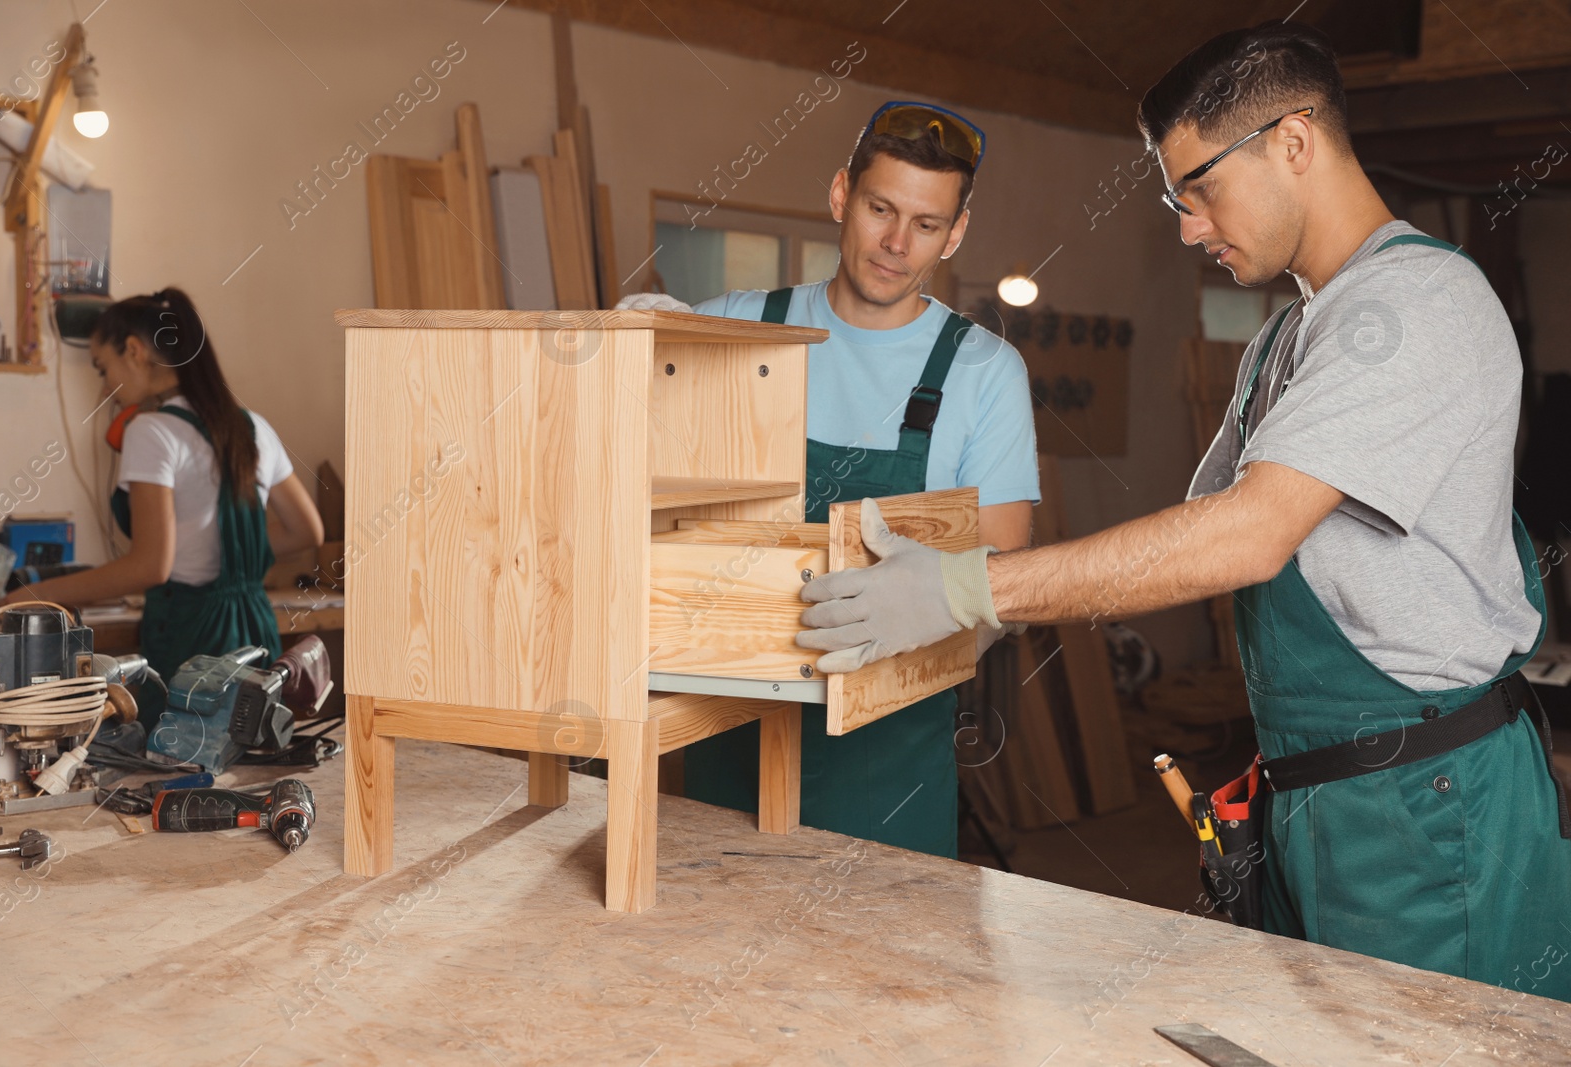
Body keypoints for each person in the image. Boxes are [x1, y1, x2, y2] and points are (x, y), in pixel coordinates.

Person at [796, 23, 1571, 999]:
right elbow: (1185, 539)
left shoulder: (1415, 304)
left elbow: (1247, 536)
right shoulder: (1289, 335)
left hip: (1426, 799)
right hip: (1316, 788)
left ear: (1293, 142)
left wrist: (965, 587)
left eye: (1195, 187)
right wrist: (975, 599)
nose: (1185, 227)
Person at [620, 101, 1039, 859]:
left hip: (892, 768)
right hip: (727, 743)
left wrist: (907, 629)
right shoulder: (736, 329)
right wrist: (627, 354)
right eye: (881, 209)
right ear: (842, 195)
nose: (896, 244)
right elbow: (621, 493)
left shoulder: (984, 371)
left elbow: (1004, 575)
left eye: (926, 224)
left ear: (958, 232)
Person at [3, 288, 324, 727]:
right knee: (248, 754)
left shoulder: (151, 431)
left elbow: (150, 568)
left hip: (192, 639)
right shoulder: (253, 427)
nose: (105, 388)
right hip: (256, 630)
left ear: (133, 351)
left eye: (103, 368)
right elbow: (306, 531)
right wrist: (225, 553)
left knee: (181, 760)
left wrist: (31, 596)